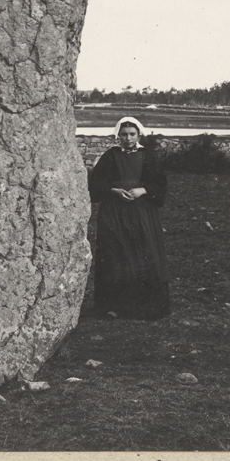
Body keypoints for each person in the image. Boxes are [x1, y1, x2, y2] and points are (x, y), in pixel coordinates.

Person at [88, 116, 170, 320]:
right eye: (123, 134)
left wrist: (143, 189)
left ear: (138, 135)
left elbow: (160, 185)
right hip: (114, 213)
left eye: (132, 134)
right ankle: (114, 306)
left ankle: (144, 306)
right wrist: (113, 190)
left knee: (143, 254)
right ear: (118, 136)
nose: (128, 138)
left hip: (142, 214)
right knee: (116, 255)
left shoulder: (147, 156)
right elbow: (95, 184)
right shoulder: (110, 156)